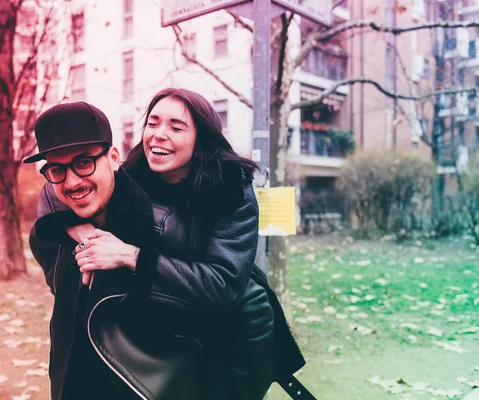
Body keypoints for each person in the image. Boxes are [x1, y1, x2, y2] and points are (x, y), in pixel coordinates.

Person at [30, 90, 307, 399]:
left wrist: (132, 255)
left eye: (176, 127)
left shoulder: (230, 191)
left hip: (207, 339)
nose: (159, 135)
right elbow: (54, 192)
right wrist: (83, 231)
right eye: (153, 123)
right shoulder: (129, 174)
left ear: (201, 137)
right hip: (130, 345)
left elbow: (224, 284)